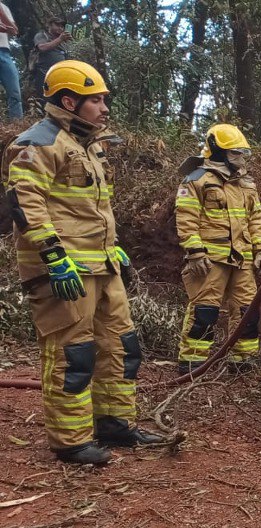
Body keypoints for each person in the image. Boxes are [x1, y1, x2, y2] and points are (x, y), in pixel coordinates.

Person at [5, 60, 164, 464]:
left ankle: (114, 422)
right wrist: (53, 256)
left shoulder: (87, 146)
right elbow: (26, 203)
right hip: (65, 270)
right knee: (71, 353)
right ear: (69, 100)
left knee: (121, 347)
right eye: (96, 99)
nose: (104, 107)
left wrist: (114, 248)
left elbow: (89, 210)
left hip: (101, 266)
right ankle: (71, 440)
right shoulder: (37, 143)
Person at [173, 123, 261, 374]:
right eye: (234, 153)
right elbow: (186, 219)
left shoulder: (246, 184)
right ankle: (192, 364)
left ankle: (243, 363)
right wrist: (195, 252)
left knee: (247, 312)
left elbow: (255, 220)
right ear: (217, 152)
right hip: (209, 260)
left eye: (242, 153)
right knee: (204, 312)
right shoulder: (196, 180)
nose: (240, 159)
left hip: (242, 259)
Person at [0, 2, 25, 119]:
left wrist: (1, 11)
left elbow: (14, 30)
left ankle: (17, 126)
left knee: (14, 91)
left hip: (4, 52)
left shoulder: (5, 8)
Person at [30, 18, 70, 90]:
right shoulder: (42, 35)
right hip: (44, 74)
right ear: (49, 25)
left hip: (60, 75)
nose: (60, 28)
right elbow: (42, 47)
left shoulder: (63, 41)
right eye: (57, 25)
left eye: (62, 26)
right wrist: (60, 39)